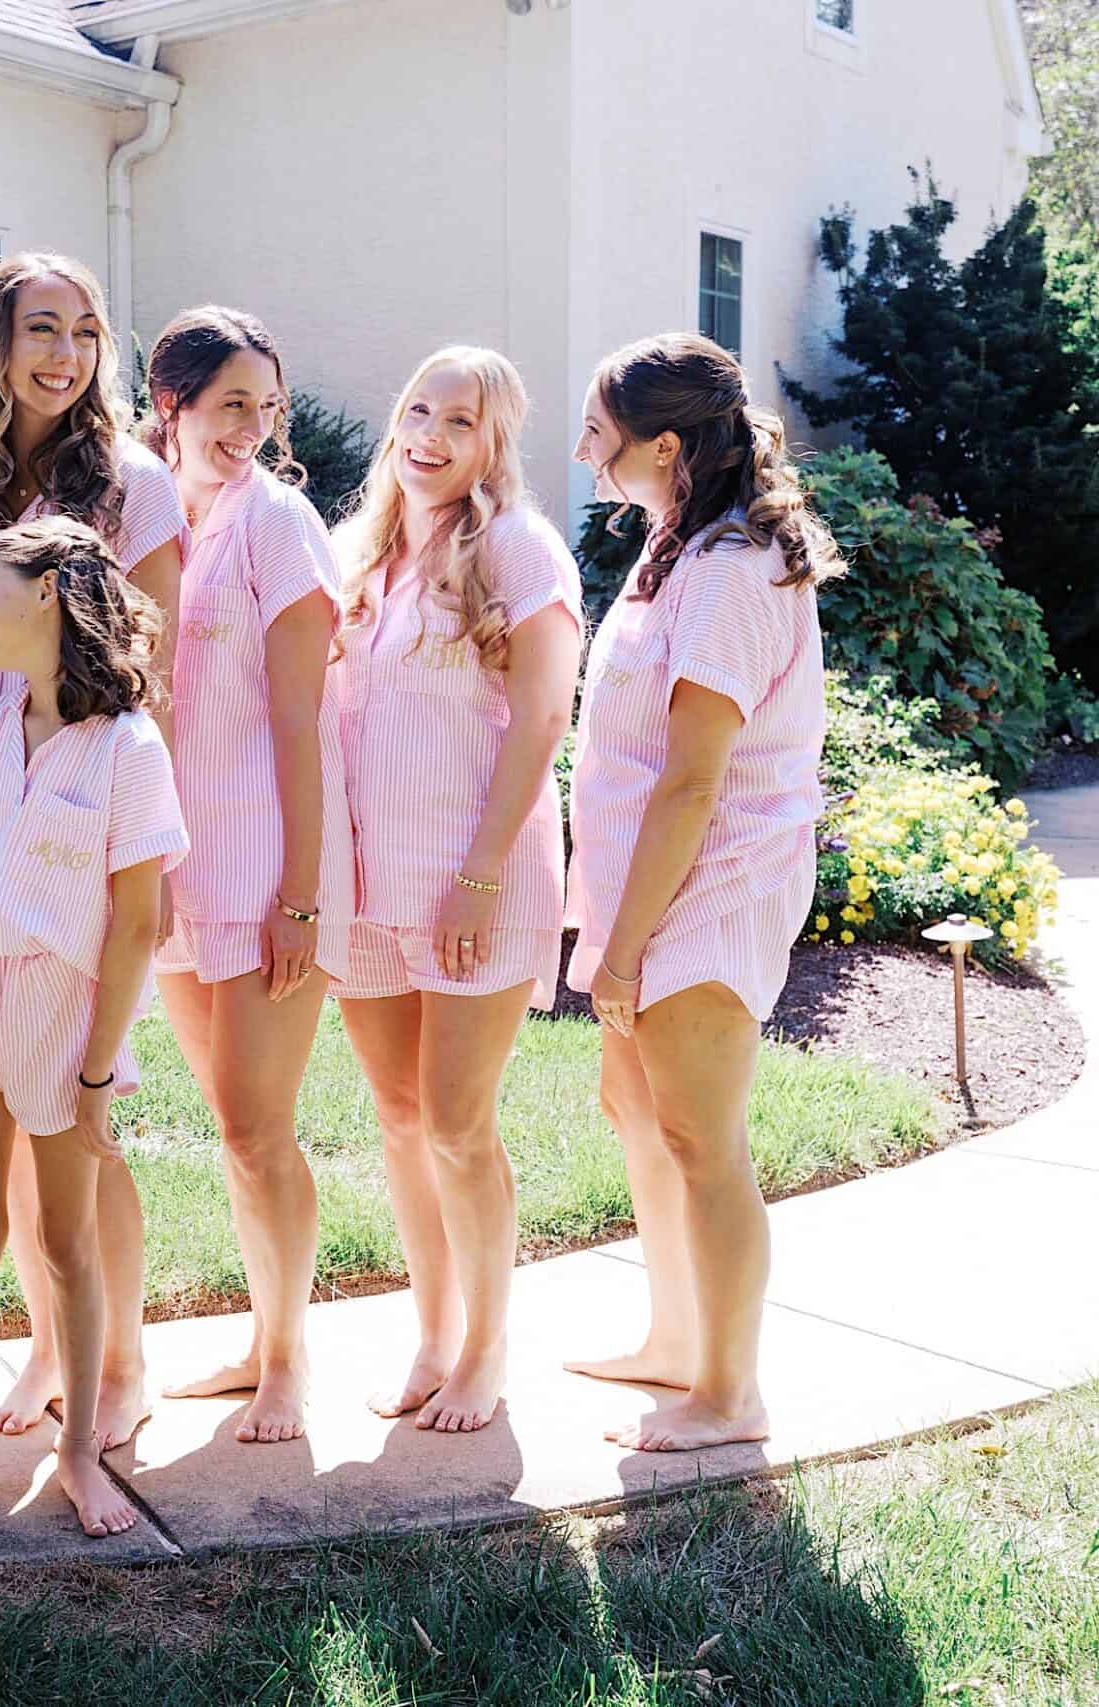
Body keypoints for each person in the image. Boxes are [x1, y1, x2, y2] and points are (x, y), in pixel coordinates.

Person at [563, 332, 839, 1452]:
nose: (584, 453)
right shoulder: (679, 545)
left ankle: (730, 1395)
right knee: (637, 1112)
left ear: (665, 445)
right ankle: (677, 1343)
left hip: (710, 885)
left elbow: (692, 781)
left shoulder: (730, 569)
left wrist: (624, 949)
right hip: (651, 881)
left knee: (701, 1138)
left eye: (598, 433)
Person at [0, 517, 188, 1549]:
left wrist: (99, 1069)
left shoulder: (127, 749)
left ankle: (78, 1454)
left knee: (68, 1244)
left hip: (65, 1032)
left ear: (50, 591)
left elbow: (138, 923)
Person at [0, 253, 186, 1448]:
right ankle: (47, 1346)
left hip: (95, 820)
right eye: (42, 329)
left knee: (83, 1124)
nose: (66, 355)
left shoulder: (134, 484)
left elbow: (152, 667)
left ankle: (119, 1360)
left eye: (85, 332)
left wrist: (123, 842)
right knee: (3, 1128)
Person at [328, 347, 584, 1433]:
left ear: (494, 443)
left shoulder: (519, 548)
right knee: (398, 1119)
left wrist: (479, 877)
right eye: (418, 410)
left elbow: (543, 717)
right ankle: (432, 1338)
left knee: (456, 1124)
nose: (429, 436)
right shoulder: (364, 550)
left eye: (460, 421)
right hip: (368, 884)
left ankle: (487, 1349)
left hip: (476, 878)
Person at [141, 309, 356, 1446]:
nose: (254, 428)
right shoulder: (149, 515)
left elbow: (301, 721)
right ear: (168, 404)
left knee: (259, 1126)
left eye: (266, 407)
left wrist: (302, 898)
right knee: (231, 1123)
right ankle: (260, 1336)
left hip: (268, 866)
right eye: (233, 404)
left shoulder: (279, 523)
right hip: (177, 867)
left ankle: (288, 1362)